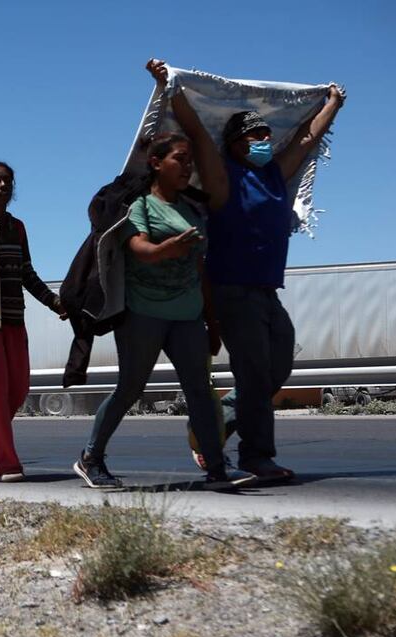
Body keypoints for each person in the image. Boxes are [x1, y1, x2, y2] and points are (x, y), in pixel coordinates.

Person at [146, 58, 344, 481]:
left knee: (277, 368)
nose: (264, 140)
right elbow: (198, 131)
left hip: (266, 291)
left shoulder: (273, 175)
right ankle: (257, 456)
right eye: (255, 135)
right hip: (231, 289)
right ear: (236, 143)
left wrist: (333, 104)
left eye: (267, 134)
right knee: (254, 371)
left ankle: (214, 423)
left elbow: (307, 139)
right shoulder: (224, 178)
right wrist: (169, 85)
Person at [73, 134, 250, 491]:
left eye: (189, 161)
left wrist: (211, 323)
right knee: (131, 388)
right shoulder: (139, 206)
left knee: (200, 389)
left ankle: (216, 466)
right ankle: (91, 457)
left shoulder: (191, 209)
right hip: (144, 313)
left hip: (187, 314)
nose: (187, 167)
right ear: (156, 163)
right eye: (180, 159)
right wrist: (165, 248)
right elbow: (140, 249)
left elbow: (202, 270)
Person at [0, 162, 66, 482]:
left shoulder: (18, 227)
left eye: (8, 180)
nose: (3, 185)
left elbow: (26, 273)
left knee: (18, 390)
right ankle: (6, 463)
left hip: (13, 319)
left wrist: (53, 301)